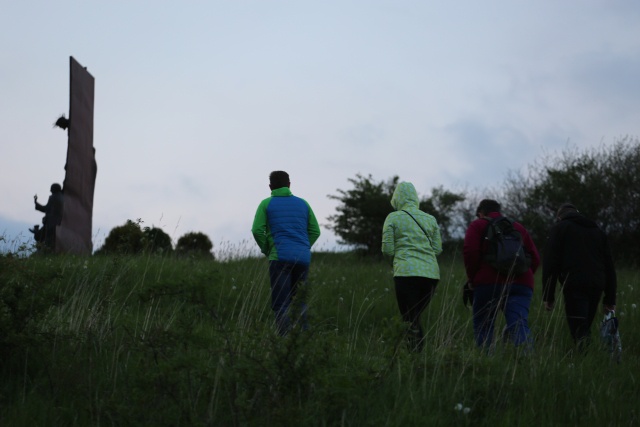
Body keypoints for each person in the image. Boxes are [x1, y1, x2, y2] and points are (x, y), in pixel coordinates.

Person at [463, 199, 540, 350]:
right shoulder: (517, 227)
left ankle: (486, 364)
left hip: (488, 284)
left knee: (483, 325)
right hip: (521, 284)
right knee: (518, 324)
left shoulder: (478, 225)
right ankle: (528, 363)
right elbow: (535, 258)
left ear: (481, 213)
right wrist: (522, 276)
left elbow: (470, 252)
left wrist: (473, 279)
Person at [251, 171, 321, 335]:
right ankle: (303, 339)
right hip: (302, 259)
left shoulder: (266, 204)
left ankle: (284, 341)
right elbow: (315, 231)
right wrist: (303, 246)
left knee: (281, 303)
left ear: (270, 187)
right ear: (289, 184)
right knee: (300, 302)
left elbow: (256, 230)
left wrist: (267, 249)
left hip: (279, 258)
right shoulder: (303, 204)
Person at [542, 203, 617, 351]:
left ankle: (584, 357)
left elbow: (551, 264)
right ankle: (585, 355)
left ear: (559, 217)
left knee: (579, 327)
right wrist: (610, 299)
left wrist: (548, 296)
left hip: (575, 284)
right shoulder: (597, 231)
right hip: (597, 284)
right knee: (585, 324)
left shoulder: (560, 228)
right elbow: (609, 266)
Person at [382, 182, 443, 352]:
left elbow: (387, 249)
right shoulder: (430, 219)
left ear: (396, 198)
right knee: (414, 316)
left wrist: (393, 263)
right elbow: (437, 249)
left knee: (410, 318)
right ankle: (416, 355)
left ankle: (414, 355)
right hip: (431, 276)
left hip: (405, 274)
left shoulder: (393, 218)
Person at [34, 183, 64, 251]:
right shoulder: (62, 197)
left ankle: (46, 251)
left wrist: (36, 203)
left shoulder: (53, 197)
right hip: (59, 222)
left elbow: (46, 209)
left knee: (47, 239)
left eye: (51, 188)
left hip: (51, 222)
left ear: (54, 189)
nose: (50, 190)